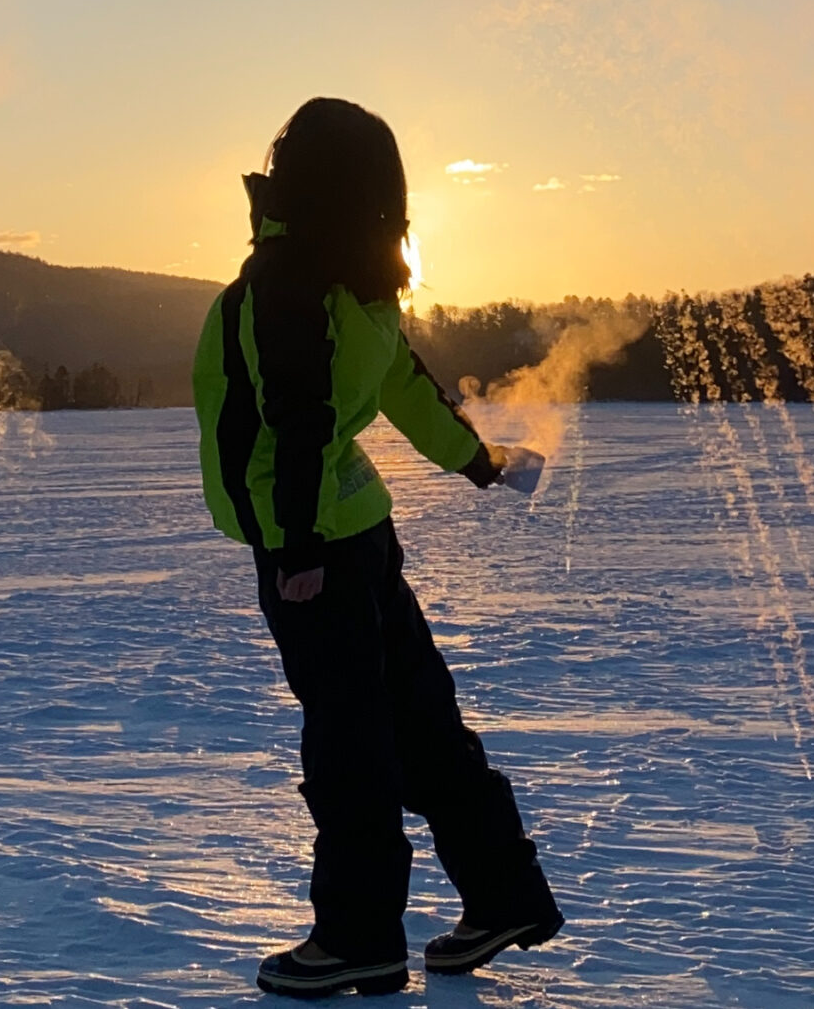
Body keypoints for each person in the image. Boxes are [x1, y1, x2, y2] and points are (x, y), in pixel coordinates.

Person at [194, 98, 565, 998]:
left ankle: (357, 937)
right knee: (418, 722)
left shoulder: (287, 286)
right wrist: (483, 462)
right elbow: (410, 392)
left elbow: (296, 417)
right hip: (358, 535)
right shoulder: (365, 290)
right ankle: (503, 893)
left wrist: (295, 550)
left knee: (350, 737)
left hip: (312, 546)